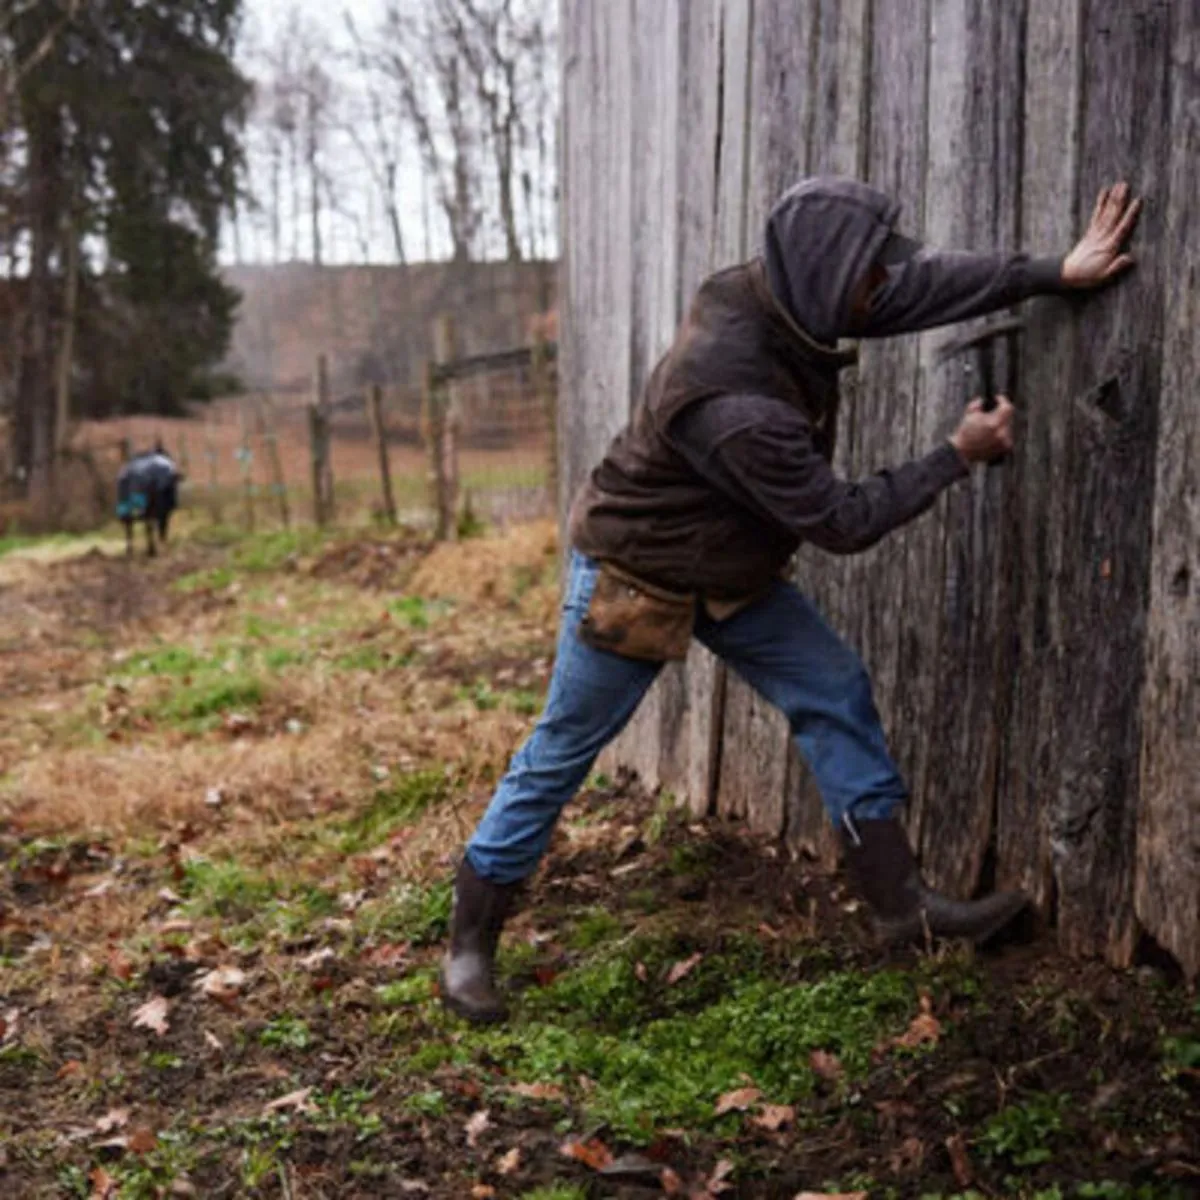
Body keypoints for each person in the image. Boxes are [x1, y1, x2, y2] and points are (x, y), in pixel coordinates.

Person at [440, 177, 1142, 1024]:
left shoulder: (785, 294)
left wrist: (1049, 272)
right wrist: (956, 453)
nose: (884, 291)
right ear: (826, 278)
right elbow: (844, 521)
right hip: (643, 571)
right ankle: (469, 940)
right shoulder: (736, 405)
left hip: (731, 569)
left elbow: (913, 285)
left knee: (832, 688)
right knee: (562, 749)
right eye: (870, 281)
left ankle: (898, 901)